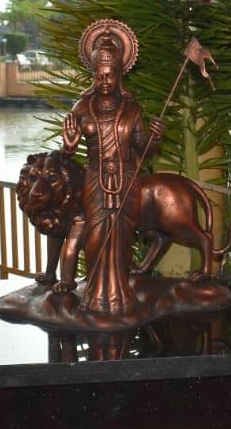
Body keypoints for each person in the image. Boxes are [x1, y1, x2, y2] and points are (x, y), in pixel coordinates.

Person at [62, 19, 164, 316]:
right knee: (94, 238)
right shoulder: (81, 108)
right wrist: (68, 145)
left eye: (109, 75)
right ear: (92, 74)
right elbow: (67, 151)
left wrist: (155, 138)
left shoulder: (131, 109)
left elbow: (143, 151)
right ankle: (94, 295)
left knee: (121, 238)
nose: (104, 81)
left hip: (127, 178)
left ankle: (121, 296)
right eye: (99, 76)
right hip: (95, 178)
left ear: (119, 75)